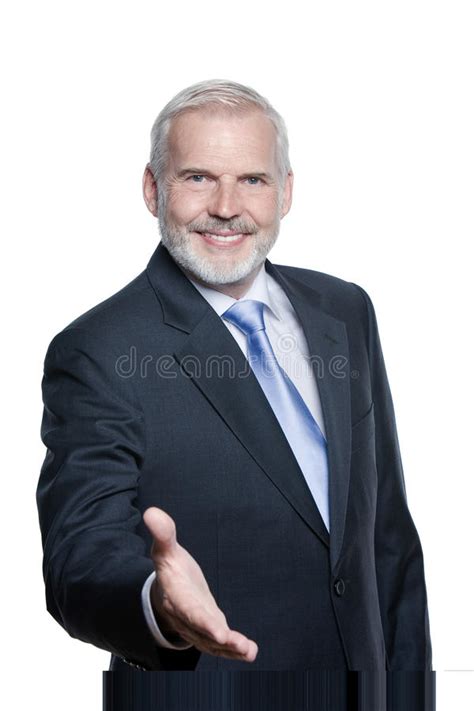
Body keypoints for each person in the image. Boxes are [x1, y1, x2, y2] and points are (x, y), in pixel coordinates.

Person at [36, 79, 433, 672]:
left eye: (252, 179)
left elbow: (388, 539)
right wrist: (156, 605)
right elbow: (80, 554)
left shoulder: (345, 310)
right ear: (153, 188)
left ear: (286, 192)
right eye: (198, 178)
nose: (226, 206)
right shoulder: (97, 350)